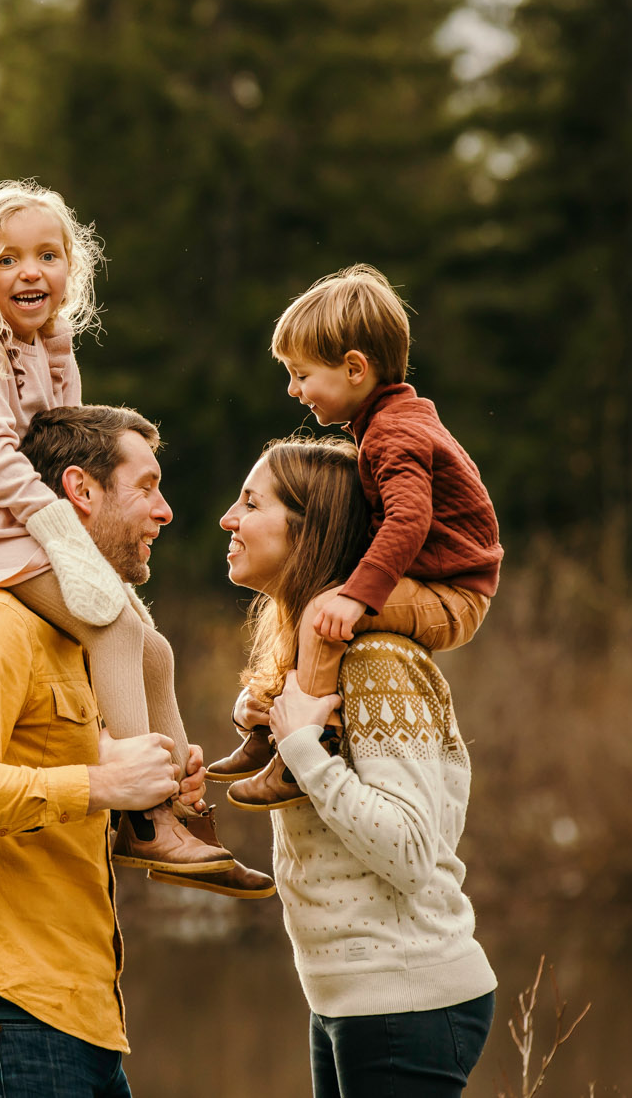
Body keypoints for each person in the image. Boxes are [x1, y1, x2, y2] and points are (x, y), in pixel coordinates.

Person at [0, 180, 233, 872]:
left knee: (153, 648)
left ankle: (188, 812)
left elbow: (63, 446)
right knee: (113, 623)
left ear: (70, 270)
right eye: (7, 258)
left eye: (47, 255)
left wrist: (58, 356)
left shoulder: (49, 342)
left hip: (20, 526)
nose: (29, 271)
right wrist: (66, 538)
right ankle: (145, 819)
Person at [0, 404, 229, 1096]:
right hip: (5, 1014)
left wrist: (137, 789)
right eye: (148, 486)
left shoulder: (72, 640)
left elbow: (35, 800)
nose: (165, 511)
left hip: (76, 1018)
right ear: (80, 490)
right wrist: (100, 785)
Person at [217, 435, 499, 1098]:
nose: (229, 518)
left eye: (251, 503)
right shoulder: (321, 663)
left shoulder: (378, 663)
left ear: (309, 529)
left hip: (407, 994)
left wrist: (305, 753)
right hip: (349, 997)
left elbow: (408, 850)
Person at [211, 265, 503, 810]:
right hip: (430, 581)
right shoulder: (382, 424)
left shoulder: (395, 432)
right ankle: (265, 730)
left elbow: (408, 521)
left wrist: (356, 594)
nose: (294, 390)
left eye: (301, 375)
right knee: (319, 614)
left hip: (453, 593)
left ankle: (305, 749)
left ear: (353, 368)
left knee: (328, 609)